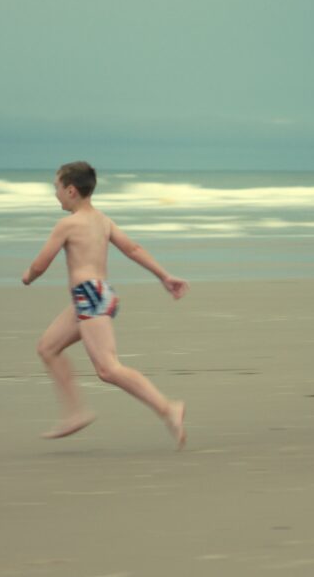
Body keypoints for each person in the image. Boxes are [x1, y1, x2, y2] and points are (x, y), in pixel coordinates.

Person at [22, 161, 189, 449]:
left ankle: (167, 408)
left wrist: (28, 276)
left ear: (71, 190)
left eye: (57, 188)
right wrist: (164, 275)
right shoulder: (102, 220)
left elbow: (41, 263)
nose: (56, 194)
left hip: (90, 295)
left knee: (108, 369)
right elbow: (132, 248)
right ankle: (75, 413)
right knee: (47, 348)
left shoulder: (67, 225)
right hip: (98, 295)